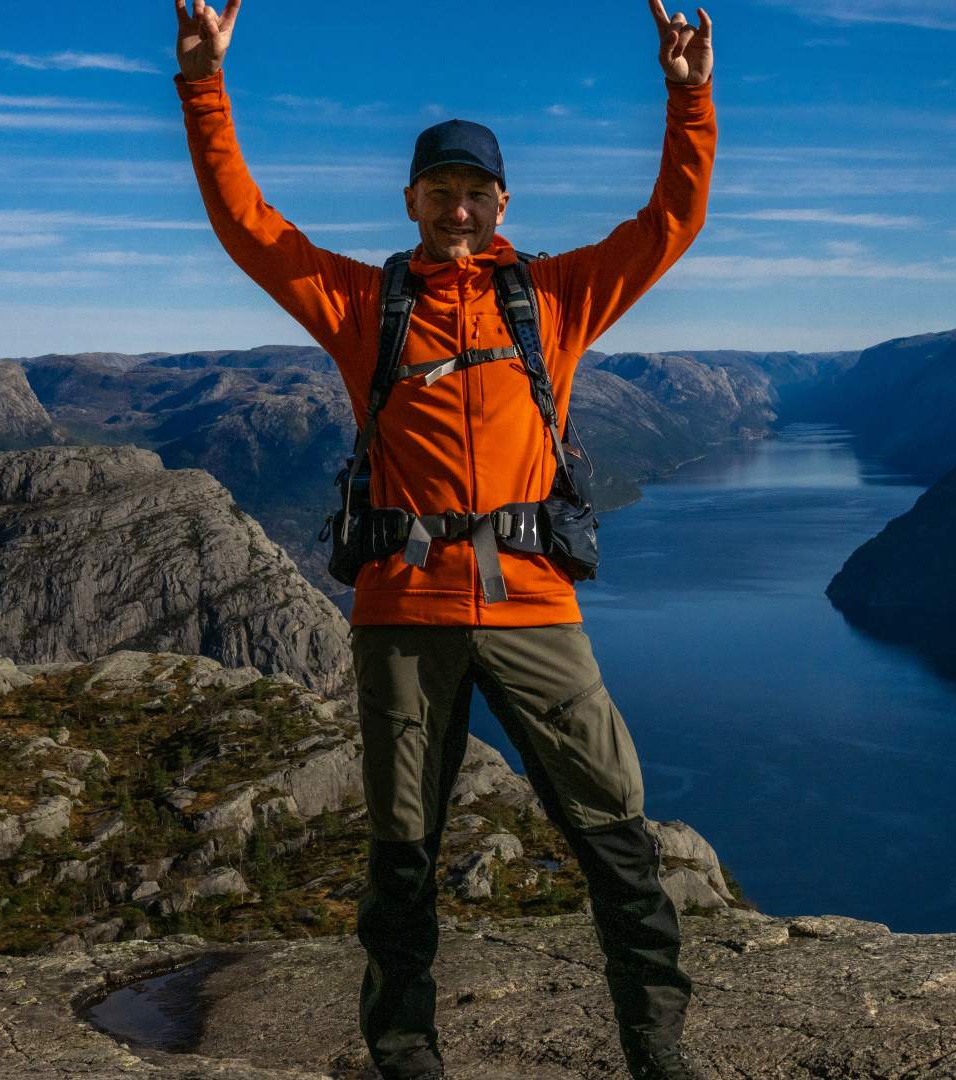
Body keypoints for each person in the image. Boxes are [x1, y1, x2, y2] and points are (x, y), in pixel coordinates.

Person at [171, 2, 716, 1077]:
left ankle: (658, 1049)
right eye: (440, 193)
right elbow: (250, 226)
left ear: (501, 203)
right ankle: (406, 1050)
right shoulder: (361, 303)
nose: (457, 211)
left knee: (614, 829)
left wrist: (688, 92)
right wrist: (202, 83)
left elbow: (670, 221)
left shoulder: (550, 298)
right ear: (411, 201)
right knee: (404, 852)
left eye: (474, 194)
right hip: (403, 610)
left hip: (533, 605)